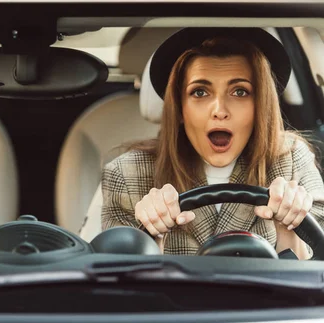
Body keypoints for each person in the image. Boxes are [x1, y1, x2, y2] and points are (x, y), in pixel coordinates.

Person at [101, 28, 324, 259]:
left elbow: (316, 280)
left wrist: (290, 231)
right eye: (199, 92)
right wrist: (150, 240)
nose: (219, 111)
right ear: (179, 108)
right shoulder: (127, 174)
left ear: (260, 105)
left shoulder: (292, 160)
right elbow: (121, 288)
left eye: (239, 91)